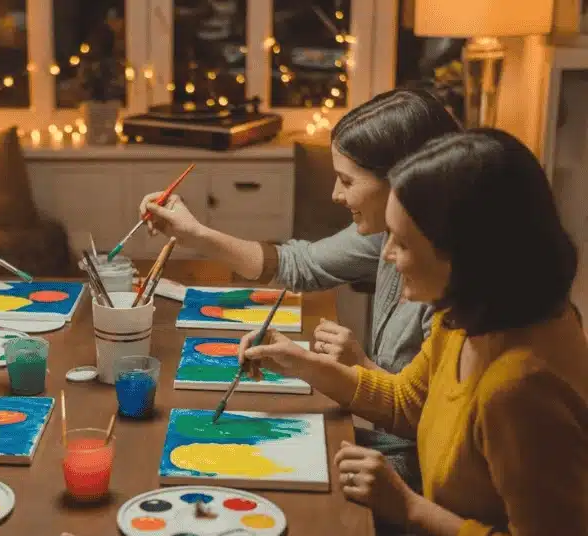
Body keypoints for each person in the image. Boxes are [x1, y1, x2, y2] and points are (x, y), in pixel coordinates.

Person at [240, 128, 588, 536]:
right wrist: (301, 364)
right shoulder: (463, 318)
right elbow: (407, 403)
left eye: (402, 243)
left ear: (463, 255)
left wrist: (409, 508)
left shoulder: (519, 390)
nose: (387, 256)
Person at [138, 88, 461, 490]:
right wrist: (195, 234)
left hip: (417, 469)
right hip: (389, 442)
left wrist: (357, 363)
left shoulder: (453, 286)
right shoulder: (390, 234)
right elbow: (300, 264)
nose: (335, 194)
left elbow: (430, 425)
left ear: (404, 182)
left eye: (346, 180)